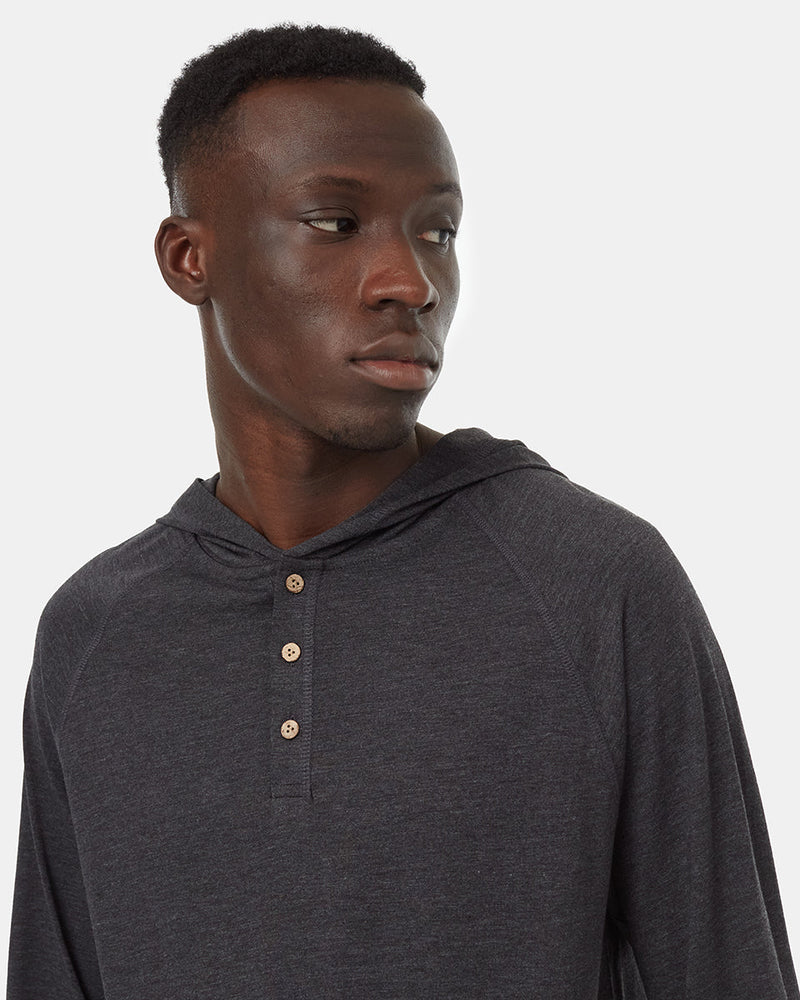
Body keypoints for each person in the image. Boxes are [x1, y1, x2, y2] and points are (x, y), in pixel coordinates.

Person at [6, 23, 798, 1000]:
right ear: (187, 258)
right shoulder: (94, 635)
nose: (410, 283)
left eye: (438, 231)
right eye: (336, 223)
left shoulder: (594, 585)